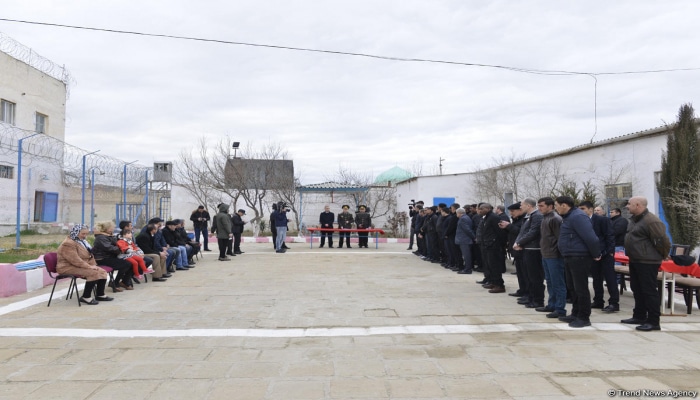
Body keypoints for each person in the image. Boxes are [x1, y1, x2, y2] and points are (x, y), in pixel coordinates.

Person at [621, 196, 670, 332]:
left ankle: (654, 321)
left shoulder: (651, 220)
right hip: (635, 259)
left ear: (637, 205)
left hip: (647, 261)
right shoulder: (634, 220)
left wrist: (662, 255)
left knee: (649, 291)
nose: (627, 206)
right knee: (637, 289)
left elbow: (662, 242)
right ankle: (639, 315)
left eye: (629, 204)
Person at [555, 196, 601, 328]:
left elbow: (591, 237)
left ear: (564, 205)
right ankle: (575, 313)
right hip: (570, 255)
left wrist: (596, 253)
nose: (556, 208)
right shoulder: (568, 217)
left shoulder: (578, 217)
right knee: (572, 287)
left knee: (580, 288)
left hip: (579, 256)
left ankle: (584, 316)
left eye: (557, 205)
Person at [56, 224, 113, 304]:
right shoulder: (68, 244)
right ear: (76, 232)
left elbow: (90, 255)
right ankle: (86, 297)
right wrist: (89, 267)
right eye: (83, 234)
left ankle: (100, 294)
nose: (85, 236)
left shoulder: (82, 242)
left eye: (86, 234)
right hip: (67, 267)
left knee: (102, 271)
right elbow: (75, 260)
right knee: (93, 273)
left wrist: (93, 265)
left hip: (80, 265)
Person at [579, 201, 619, 313]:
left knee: (610, 279)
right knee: (596, 279)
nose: (580, 211)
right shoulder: (582, 221)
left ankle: (614, 303)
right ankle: (598, 300)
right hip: (592, 255)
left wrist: (610, 252)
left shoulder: (602, 220)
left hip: (605, 254)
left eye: (583, 209)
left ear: (590, 209)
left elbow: (609, 235)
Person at [538, 197, 566, 319]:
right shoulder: (545, 218)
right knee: (550, 281)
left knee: (557, 283)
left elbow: (560, 238)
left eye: (542, 206)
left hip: (554, 256)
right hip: (546, 254)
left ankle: (560, 308)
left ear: (550, 206)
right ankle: (552, 304)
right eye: (538, 206)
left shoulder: (555, 219)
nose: (539, 208)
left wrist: (559, 253)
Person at [513, 198, 544, 307]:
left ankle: (537, 300)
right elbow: (524, 231)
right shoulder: (530, 216)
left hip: (534, 250)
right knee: (529, 276)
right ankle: (530, 297)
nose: (520, 207)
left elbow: (533, 232)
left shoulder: (537, 216)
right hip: (528, 249)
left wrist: (519, 243)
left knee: (535, 277)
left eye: (522, 205)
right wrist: (519, 242)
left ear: (529, 206)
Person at [92, 220, 134, 291]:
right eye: (112, 227)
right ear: (107, 228)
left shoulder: (110, 235)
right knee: (126, 264)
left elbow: (117, 244)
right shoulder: (101, 237)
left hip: (111, 256)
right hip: (102, 259)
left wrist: (125, 247)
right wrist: (123, 249)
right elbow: (110, 248)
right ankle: (116, 283)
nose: (113, 229)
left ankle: (124, 282)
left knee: (132, 263)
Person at [479, 203, 507, 293]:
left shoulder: (494, 217)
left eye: (481, 208)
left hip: (494, 245)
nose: (479, 210)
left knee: (495, 266)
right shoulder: (486, 217)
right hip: (488, 244)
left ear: (487, 208)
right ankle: (493, 282)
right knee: (490, 265)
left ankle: (499, 285)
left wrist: (499, 243)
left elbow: (500, 232)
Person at [499, 202, 525, 295]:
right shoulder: (516, 219)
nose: (511, 213)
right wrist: (506, 228)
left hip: (522, 249)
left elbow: (520, 232)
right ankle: (522, 290)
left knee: (525, 273)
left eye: (513, 211)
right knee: (520, 273)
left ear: (520, 210)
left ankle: (526, 291)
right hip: (515, 248)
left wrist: (508, 226)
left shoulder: (524, 219)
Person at [454, 207, 474, 274]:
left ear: (459, 213)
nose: (456, 215)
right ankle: (467, 268)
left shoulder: (463, 219)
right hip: (465, 239)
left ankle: (467, 269)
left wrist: (474, 237)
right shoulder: (466, 217)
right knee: (466, 255)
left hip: (464, 240)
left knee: (466, 255)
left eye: (457, 213)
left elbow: (467, 230)